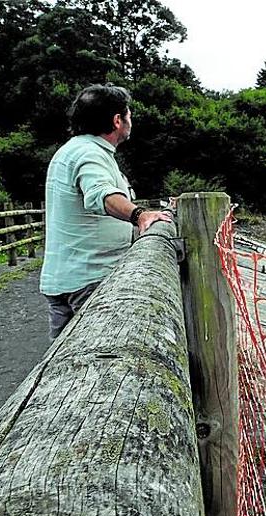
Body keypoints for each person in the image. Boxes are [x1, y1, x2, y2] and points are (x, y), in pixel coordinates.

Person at [39, 84, 170, 339]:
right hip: (88, 281)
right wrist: (140, 215)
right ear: (117, 120)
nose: (131, 119)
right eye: (128, 114)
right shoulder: (89, 153)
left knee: (66, 367)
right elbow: (102, 194)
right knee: (100, 357)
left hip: (67, 279)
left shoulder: (75, 150)